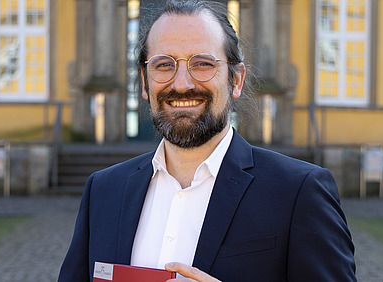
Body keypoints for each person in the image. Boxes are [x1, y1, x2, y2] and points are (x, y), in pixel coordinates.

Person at [58, 1, 356, 281]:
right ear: (145, 82)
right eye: (163, 64)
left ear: (236, 80)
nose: (182, 83)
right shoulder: (103, 190)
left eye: (202, 63)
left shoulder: (299, 192)